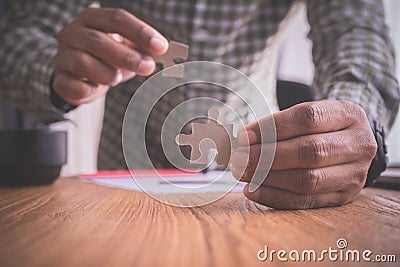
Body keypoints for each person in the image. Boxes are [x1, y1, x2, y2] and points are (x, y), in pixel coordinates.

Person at [0, 0, 399, 209]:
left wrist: (356, 119)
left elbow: (356, 30)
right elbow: (21, 31)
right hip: (123, 176)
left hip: (260, 180)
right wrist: (56, 70)